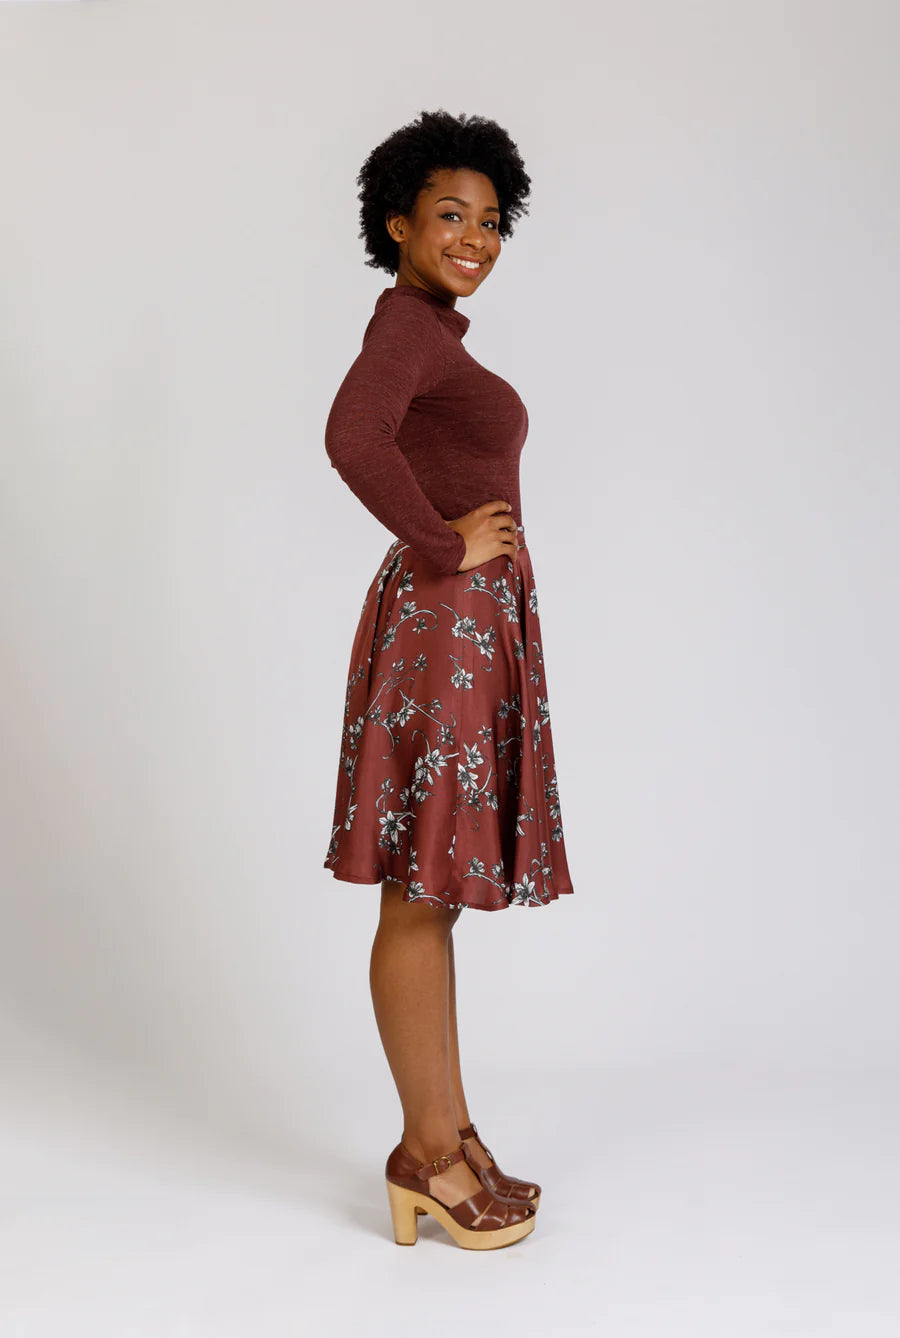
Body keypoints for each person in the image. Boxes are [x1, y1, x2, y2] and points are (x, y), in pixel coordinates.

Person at [322, 109, 575, 1250]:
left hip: (465, 625)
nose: (474, 237)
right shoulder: (406, 329)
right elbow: (353, 437)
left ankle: (449, 1132)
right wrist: (442, 546)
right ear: (399, 224)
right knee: (419, 896)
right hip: (445, 623)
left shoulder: (433, 334)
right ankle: (427, 1156)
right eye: (450, 216)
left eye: (490, 220)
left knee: (429, 896)